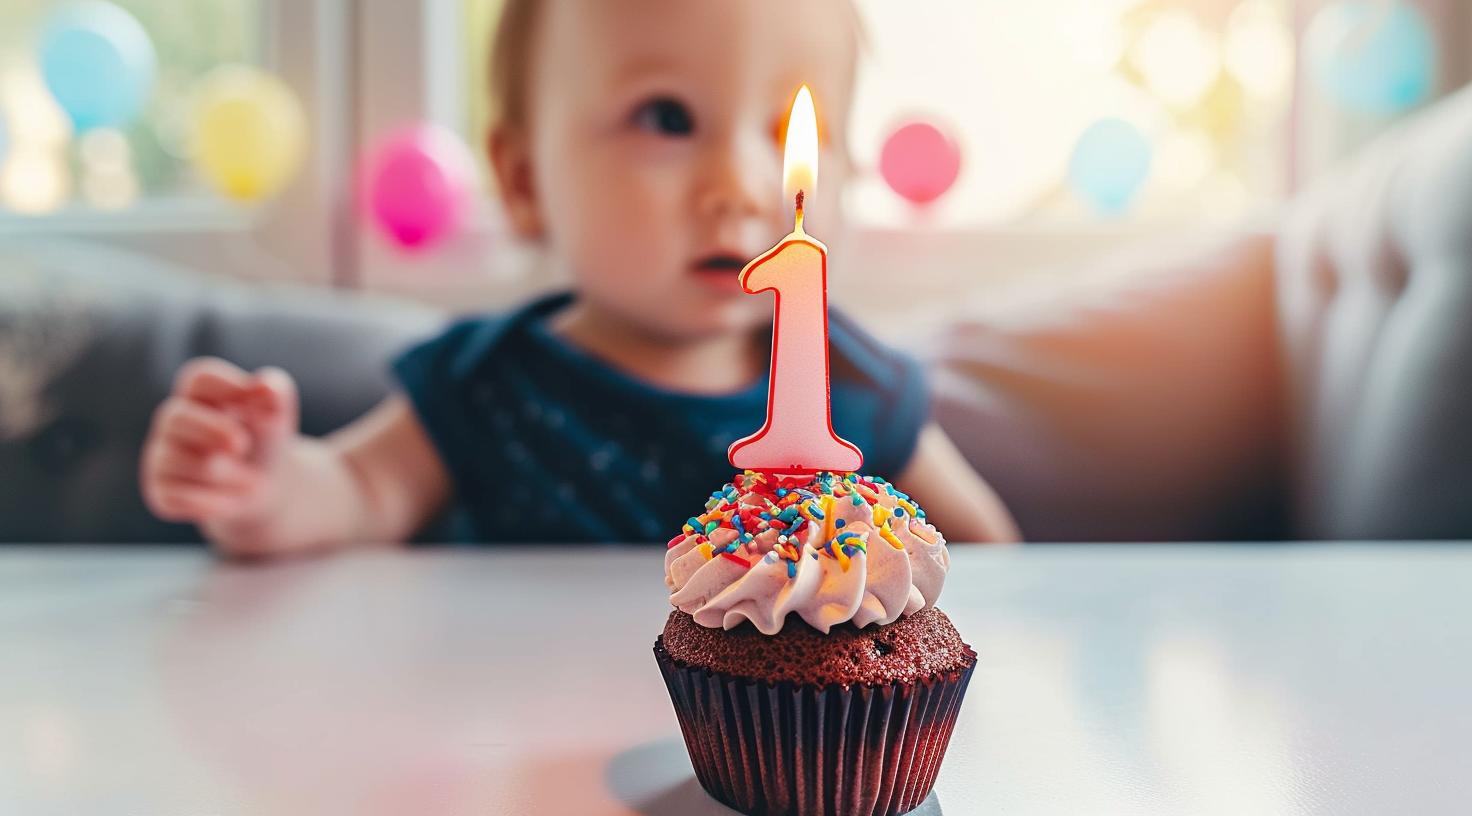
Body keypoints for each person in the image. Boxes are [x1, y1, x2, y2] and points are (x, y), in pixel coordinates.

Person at [139, 0, 1020, 555]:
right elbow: (357, 492)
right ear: (524, 182)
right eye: (667, 118)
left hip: (783, 765)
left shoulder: (856, 391)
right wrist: (262, 487)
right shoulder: (490, 384)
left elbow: (994, 558)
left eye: (789, 129)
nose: (744, 188)